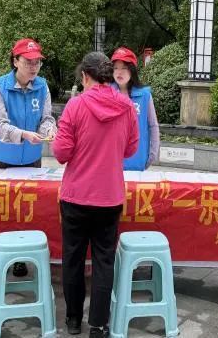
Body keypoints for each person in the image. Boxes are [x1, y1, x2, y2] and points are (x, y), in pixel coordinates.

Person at [52, 52, 139, 338]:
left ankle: (73, 319)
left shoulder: (75, 106)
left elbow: (61, 153)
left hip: (76, 197)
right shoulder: (126, 107)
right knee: (104, 261)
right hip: (110, 197)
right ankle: (98, 325)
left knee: (73, 259)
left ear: (85, 76)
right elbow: (131, 149)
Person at [0, 37, 56, 277]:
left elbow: (46, 117)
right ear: (15, 61)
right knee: (0, 209)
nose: (34, 67)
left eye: (37, 62)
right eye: (28, 62)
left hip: (31, 160)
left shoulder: (42, 86)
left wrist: (48, 130)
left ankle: (21, 257)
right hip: (0, 159)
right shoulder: (0, 86)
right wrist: (24, 134)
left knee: (26, 210)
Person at [111, 47, 160, 170]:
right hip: (111, 161)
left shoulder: (144, 95)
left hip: (137, 159)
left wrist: (153, 153)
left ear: (132, 70)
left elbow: (153, 125)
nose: (119, 72)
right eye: (115, 68)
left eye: (124, 68)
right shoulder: (106, 94)